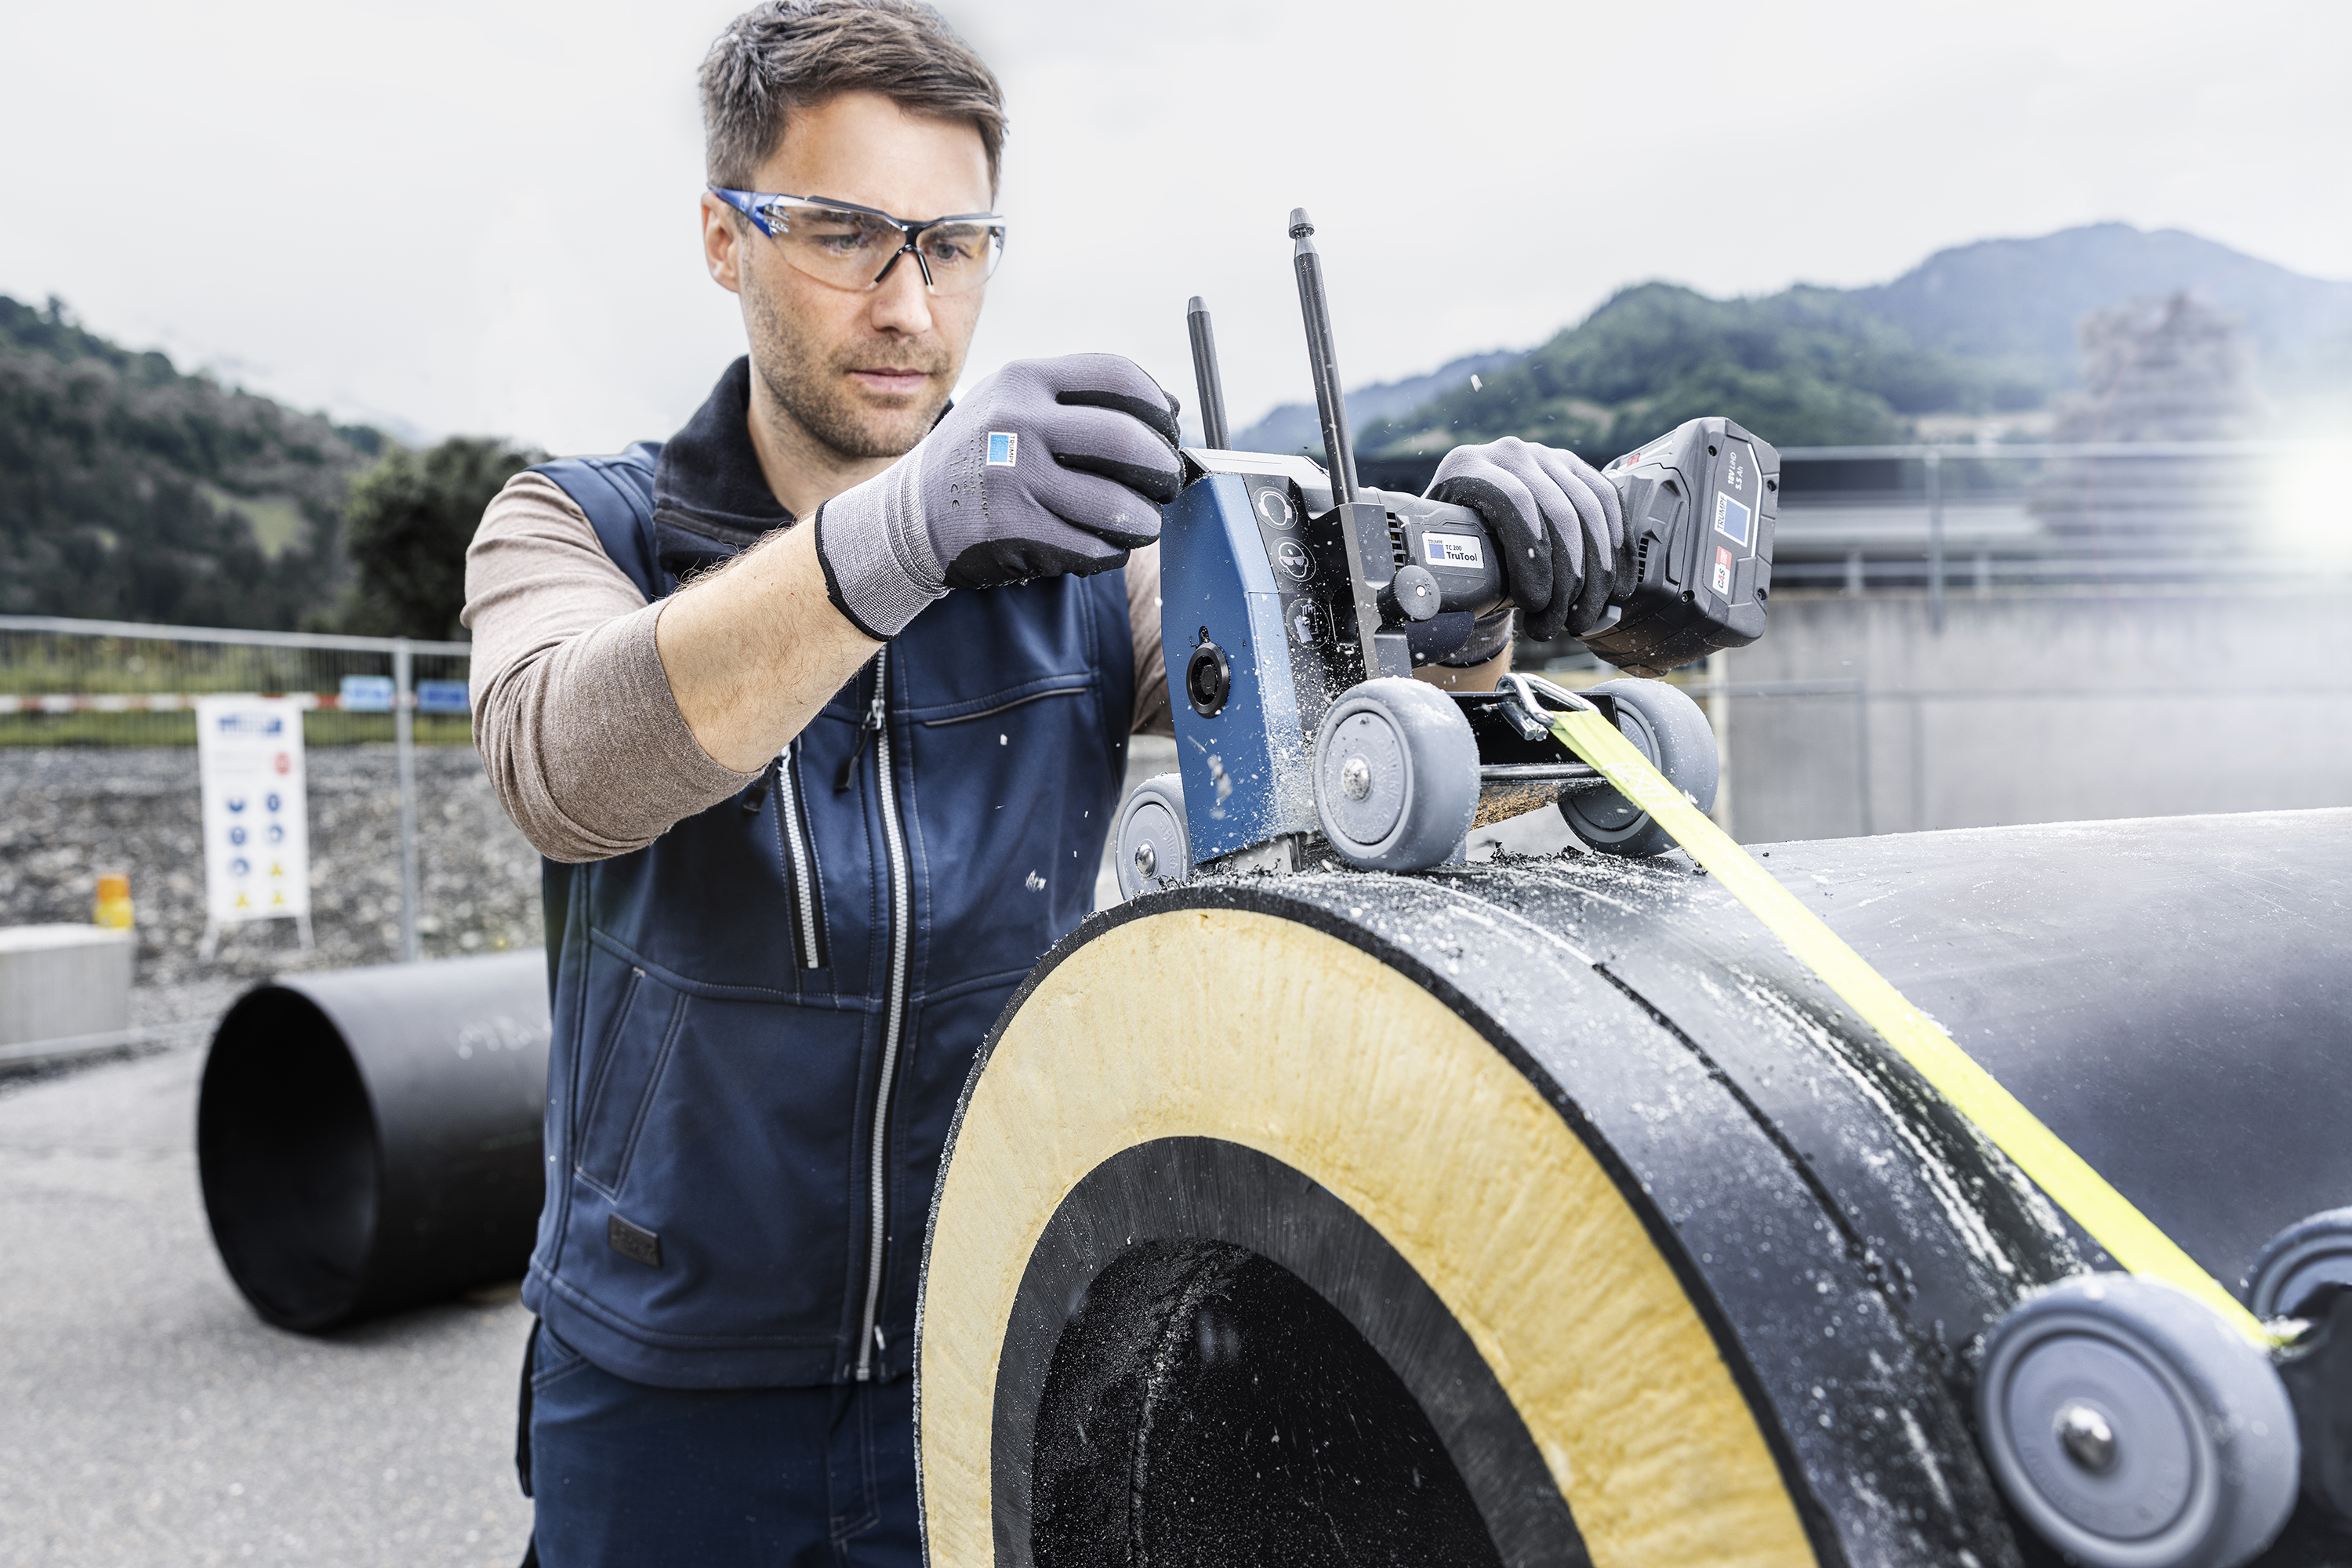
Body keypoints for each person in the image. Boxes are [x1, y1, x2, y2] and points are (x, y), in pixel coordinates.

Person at [463, 4, 1627, 1563]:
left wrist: (1469, 619)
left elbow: (1330, 731)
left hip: (987, 1323)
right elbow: (562, 765)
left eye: (952, 244)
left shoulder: (1081, 569)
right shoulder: (578, 525)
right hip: (664, 1366)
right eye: (843, 234)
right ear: (722, 239)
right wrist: (902, 534)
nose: (907, 300)